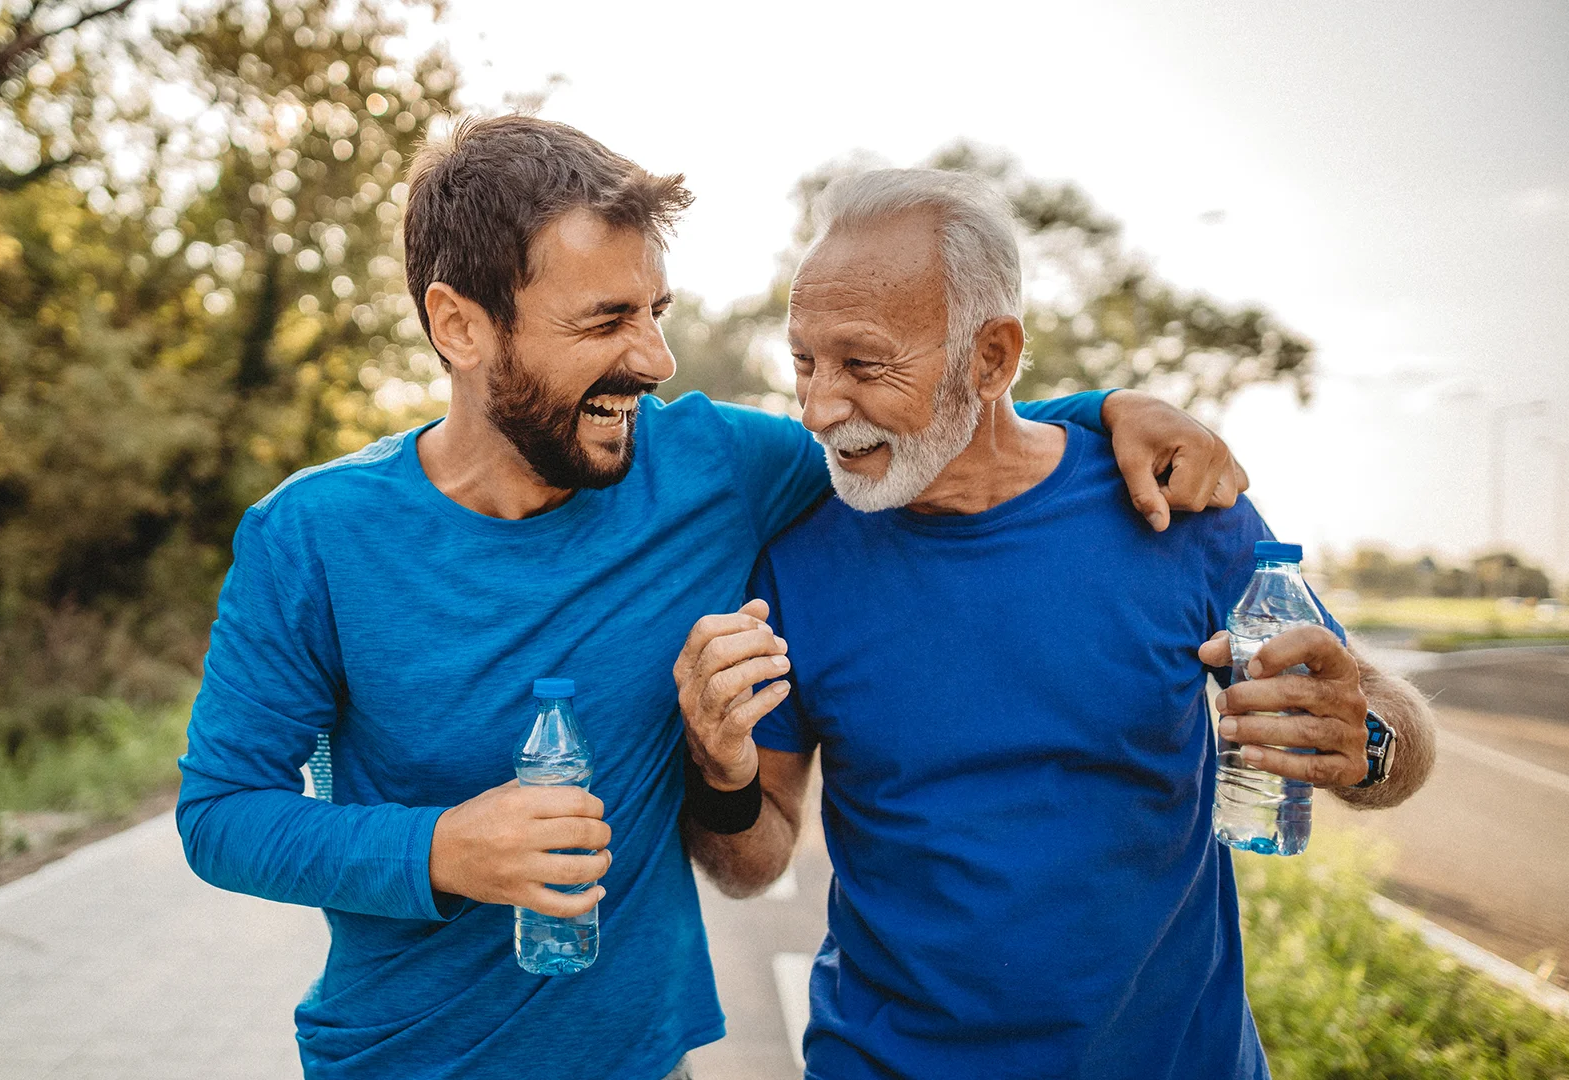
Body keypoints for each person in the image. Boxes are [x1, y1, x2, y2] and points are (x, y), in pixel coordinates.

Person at [176, 117, 1251, 1080]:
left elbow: (929, 428)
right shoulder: (311, 537)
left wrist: (1113, 410)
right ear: (459, 327)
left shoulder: (714, 470)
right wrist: (438, 852)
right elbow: (221, 814)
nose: (654, 357)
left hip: (647, 1059)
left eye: (656, 310)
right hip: (403, 1059)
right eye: (605, 321)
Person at [675, 169, 1437, 1080]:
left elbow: (1386, 729)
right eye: (804, 361)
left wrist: (1371, 741)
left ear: (991, 359)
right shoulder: (797, 558)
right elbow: (751, 863)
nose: (818, 407)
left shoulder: (1175, 508)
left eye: (864, 364)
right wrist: (719, 770)